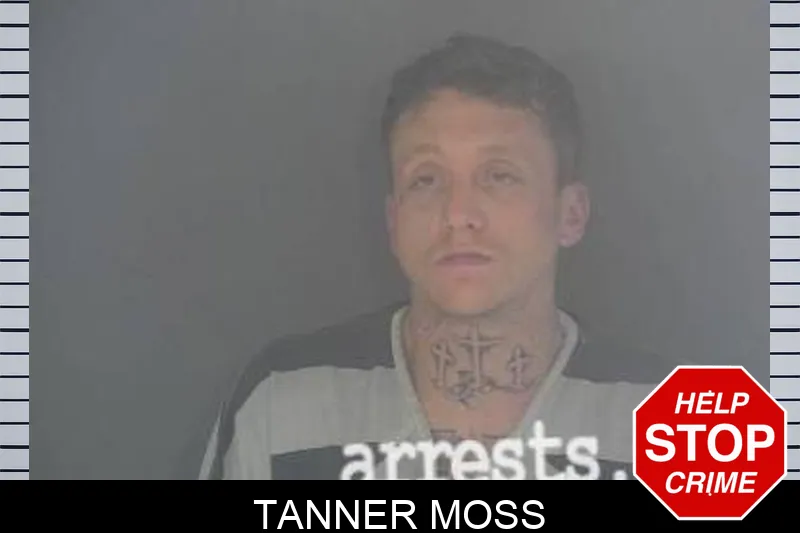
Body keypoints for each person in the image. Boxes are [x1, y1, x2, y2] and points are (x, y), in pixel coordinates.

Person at [199, 32, 674, 480]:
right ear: (394, 220)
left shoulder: (683, 424)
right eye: (426, 179)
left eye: (500, 176)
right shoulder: (281, 404)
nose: (458, 214)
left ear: (570, 215)